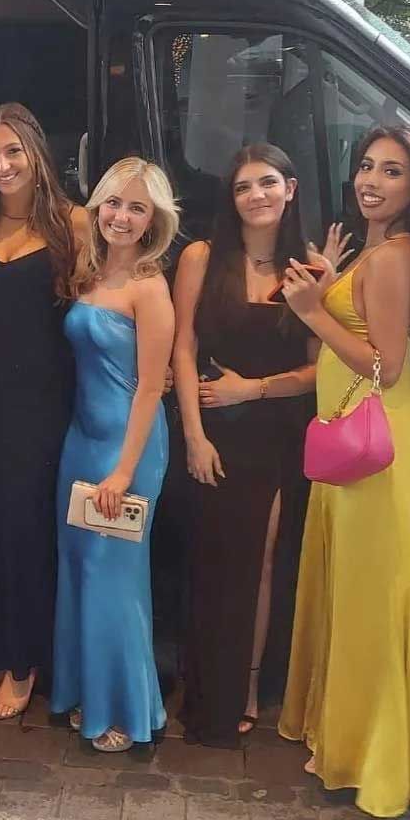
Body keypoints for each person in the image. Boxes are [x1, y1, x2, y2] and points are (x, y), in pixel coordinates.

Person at [277, 124, 410, 819]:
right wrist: (331, 289)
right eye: (366, 166)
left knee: (375, 602)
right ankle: (356, 742)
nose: (371, 181)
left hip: (379, 449)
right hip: (367, 445)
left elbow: (386, 365)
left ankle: (375, 754)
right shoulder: (382, 250)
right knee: (364, 596)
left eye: (392, 171)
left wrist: (311, 311)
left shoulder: (392, 257)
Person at [171, 145, 320, 747]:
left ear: (290, 189)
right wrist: (193, 435)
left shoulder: (309, 270)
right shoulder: (202, 258)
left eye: (267, 183)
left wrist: (252, 389)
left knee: (263, 561)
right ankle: (205, 682)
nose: (256, 196)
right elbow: (182, 348)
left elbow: (319, 369)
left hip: (277, 433)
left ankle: (249, 686)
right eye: (242, 187)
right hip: (211, 431)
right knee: (211, 563)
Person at [0, 102, 90, 722]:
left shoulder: (73, 223)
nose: (3, 165)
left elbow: (99, 307)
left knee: (29, 527)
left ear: (37, 153)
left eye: (13, 151)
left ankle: (26, 659)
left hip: (42, 401)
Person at [50, 157, 177, 753]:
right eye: (113, 203)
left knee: (114, 578)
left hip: (130, 449)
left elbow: (151, 387)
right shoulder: (89, 271)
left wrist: (124, 471)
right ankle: (88, 692)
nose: (121, 217)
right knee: (80, 568)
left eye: (137, 208)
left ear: (154, 220)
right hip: (80, 441)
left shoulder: (151, 288)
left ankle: (126, 708)